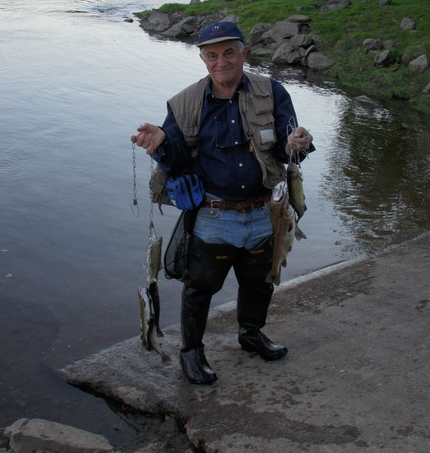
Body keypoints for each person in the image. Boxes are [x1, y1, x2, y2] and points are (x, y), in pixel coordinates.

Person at [132, 21, 313, 385]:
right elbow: (179, 161)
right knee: (199, 289)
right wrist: (162, 144)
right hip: (214, 215)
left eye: (229, 52)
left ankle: (250, 334)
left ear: (244, 52)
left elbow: (285, 149)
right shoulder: (184, 104)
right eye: (212, 55)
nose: (221, 62)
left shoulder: (273, 92)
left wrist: (297, 143)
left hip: (266, 211)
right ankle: (192, 352)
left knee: (261, 282)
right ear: (202, 59)